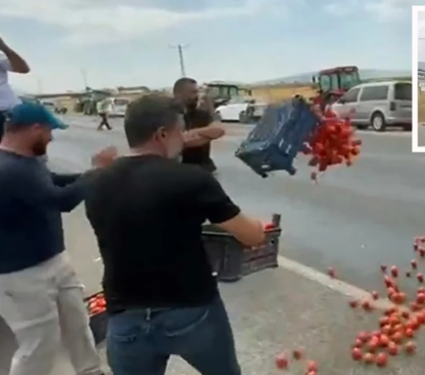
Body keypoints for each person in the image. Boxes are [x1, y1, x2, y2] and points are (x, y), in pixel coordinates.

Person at [83, 94, 266, 375]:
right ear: (163, 134)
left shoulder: (95, 182)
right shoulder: (191, 179)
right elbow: (252, 237)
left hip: (125, 317)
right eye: (181, 132)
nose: (184, 139)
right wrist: (255, 226)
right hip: (191, 311)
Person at [0, 102, 117, 375]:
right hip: (21, 275)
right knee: (40, 342)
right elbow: (60, 200)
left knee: (77, 324)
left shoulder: (26, 161)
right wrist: (97, 171)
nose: (52, 137)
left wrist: (93, 175)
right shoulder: (8, 170)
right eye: (50, 131)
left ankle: (89, 370)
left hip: (54, 259)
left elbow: (53, 181)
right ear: (34, 128)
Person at [173, 77, 225, 173]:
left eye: (197, 92)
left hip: (204, 169)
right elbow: (178, 142)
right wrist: (206, 134)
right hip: (179, 171)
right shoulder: (168, 116)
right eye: (193, 92)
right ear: (178, 94)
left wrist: (190, 134)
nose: (197, 96)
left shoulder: (202, 114)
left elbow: (219, 131)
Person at [0, 36, 30, 143]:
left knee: (15, 155)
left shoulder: (1, 58)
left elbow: (23, 69)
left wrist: (4, 48)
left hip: (6, 114)